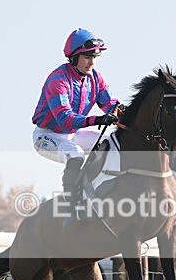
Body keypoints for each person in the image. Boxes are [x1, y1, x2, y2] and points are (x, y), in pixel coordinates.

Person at [31, 28, 123, 223]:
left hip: (74, 134)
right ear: (73, 57)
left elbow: (109, 104)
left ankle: (100, 190)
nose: (92, 62)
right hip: (47, 136)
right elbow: (65, 119)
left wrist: (125, 111)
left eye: (94, 57)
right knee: (76, 154)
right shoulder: (58, 80)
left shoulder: (95, 78)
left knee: (111, 143)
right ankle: (70, 208)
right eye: (87, 57)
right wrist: (98, 120)